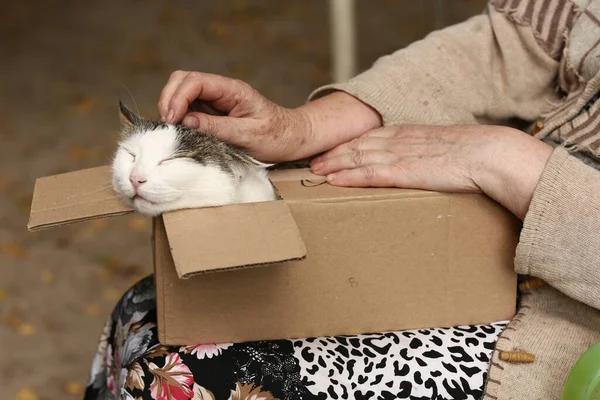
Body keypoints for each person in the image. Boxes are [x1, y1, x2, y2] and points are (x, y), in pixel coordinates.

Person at [85, 0, 600, 399]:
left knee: (184, 373)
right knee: (146, 311)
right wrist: (305, 125)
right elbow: (518, 38)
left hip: (571, 324)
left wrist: (516, 165)